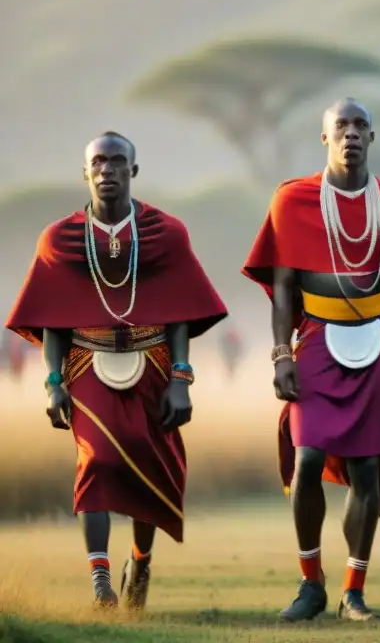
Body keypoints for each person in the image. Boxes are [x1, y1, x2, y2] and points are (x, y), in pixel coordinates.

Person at [242, 99, 380, 623]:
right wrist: (279, 356)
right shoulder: (291, 201)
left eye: (361, 126)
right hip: (315, 339)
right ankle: (310, 582)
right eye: (341, 126)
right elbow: (283, 287)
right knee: (307, 456)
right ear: (324, 138)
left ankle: (353, 590)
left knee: (366, 471)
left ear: (372, 138)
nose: (351, 134)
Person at [5, 131, 228, 610]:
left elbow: (180, 311)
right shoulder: (59, 239)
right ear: (85, 172)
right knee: (98, 461)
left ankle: (141, 562)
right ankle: (102, 584)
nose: (107, 170)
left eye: (117, 162)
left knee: (147, 464)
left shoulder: (165, 234)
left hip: (153, 362)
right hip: (87, 363)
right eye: (98, 162)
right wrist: (53, 383)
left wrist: (181, 379)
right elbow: (50, 322)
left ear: (133, 170)